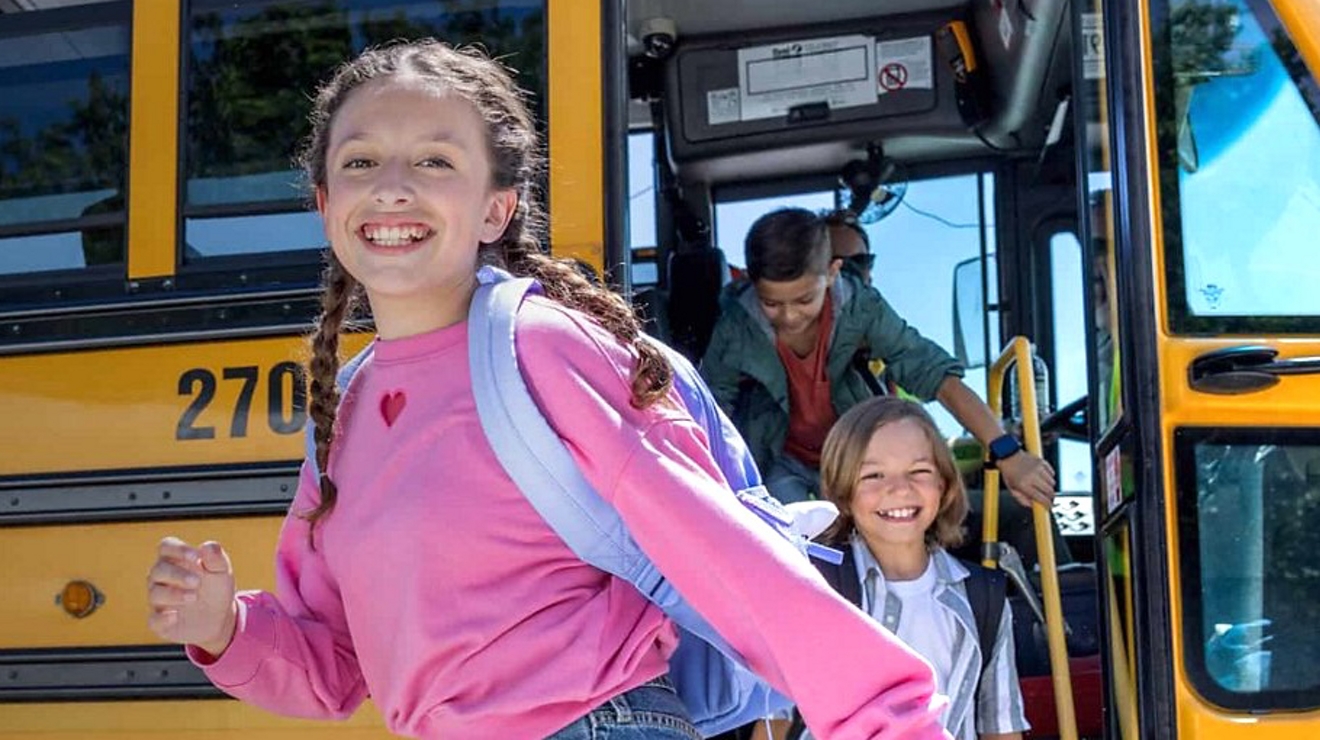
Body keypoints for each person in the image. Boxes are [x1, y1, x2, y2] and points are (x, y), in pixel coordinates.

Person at [144, 40, 954, 740]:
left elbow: (718, 553)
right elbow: (338, 663)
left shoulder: (538, 347)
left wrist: (886, 715)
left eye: (434, 160)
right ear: (326, 203)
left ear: (497, 208)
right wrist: (228, 628)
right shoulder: (341, 415)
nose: (392, 185)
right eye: (360, 161)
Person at [700, 207, 1054, 509]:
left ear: (833, 273)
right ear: (752, 284)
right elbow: (709, 409)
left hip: (854, 455)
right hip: (778, 458)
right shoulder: (736, 327)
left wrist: (1008, 453)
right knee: (792, 542)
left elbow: (933, 373)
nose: (790, 317)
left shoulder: (862, 308)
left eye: (805, 300)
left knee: (871, 535)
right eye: (772, 303)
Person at [814, 397, 1029, 740]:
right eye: (873, 475)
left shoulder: (983, 598)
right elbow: (778, 719)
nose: (899, 488)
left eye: (919, 472)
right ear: (843, 491)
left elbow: (1001, 726)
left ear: (944, 486)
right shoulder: (815, 590)